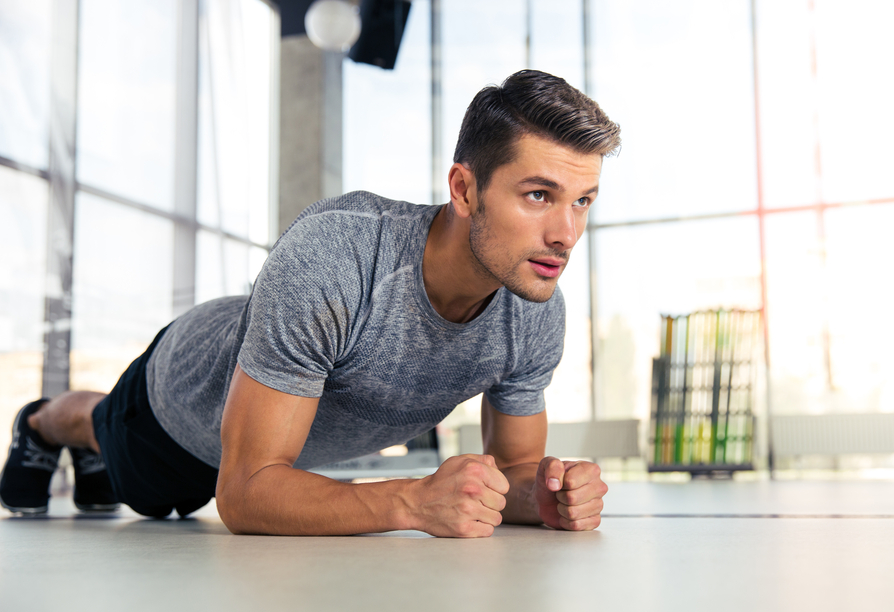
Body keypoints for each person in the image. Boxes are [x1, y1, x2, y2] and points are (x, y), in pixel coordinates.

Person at [1, 70, 620, 538]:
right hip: (180, 404)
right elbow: (243, 494)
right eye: (539, 195)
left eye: (583, 201)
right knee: (112, 439)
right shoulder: (339, 255)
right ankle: (40, 422)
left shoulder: (535, 307)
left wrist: (544, 493)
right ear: (463, 188)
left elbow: (513, 471)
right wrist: (408, 500)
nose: (567, 234)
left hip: (273, 458)